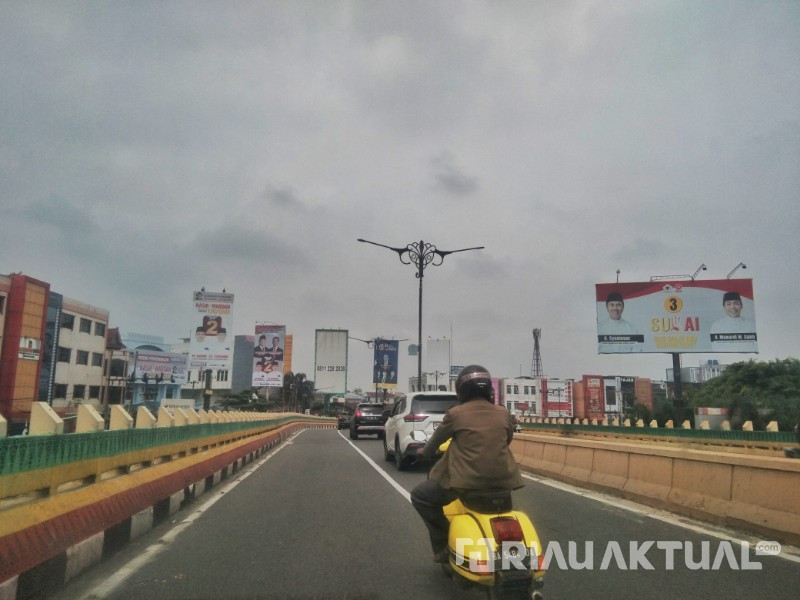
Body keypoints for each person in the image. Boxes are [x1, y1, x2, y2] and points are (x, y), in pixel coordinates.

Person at [410, 365, 523, 563]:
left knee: (420, 496)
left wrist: (423, 452)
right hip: (505, 482)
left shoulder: (455, 414)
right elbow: (506, 440)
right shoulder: (503, 413)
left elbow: (433, 444)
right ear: (489, 389)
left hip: (467, 483)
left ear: (461, 390)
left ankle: (443, 544)